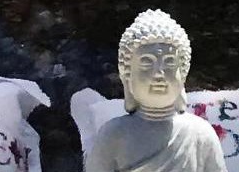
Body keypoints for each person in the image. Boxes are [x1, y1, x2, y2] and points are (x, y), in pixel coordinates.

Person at [85, 10, 228, 172]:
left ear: (183, 75)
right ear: (127, 75)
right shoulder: (114, 134)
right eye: (147, 63)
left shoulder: (201, 133)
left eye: (169, 63)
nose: (159, 73)